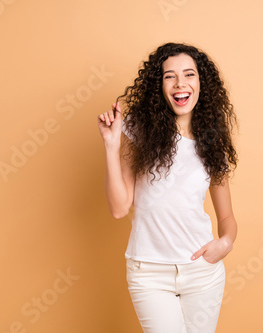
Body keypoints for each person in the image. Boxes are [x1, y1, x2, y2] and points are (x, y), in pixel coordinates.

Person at [97, 42, 238, 333]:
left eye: (189, 74)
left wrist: (225, 243)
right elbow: (119, 207)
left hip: (202, 271)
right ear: (158, 86)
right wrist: (111, 147)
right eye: (169, 76)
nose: (179, 83)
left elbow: (226, 218)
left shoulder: (212, 145)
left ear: (201, 83)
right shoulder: (138, 131)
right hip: (149, 272)